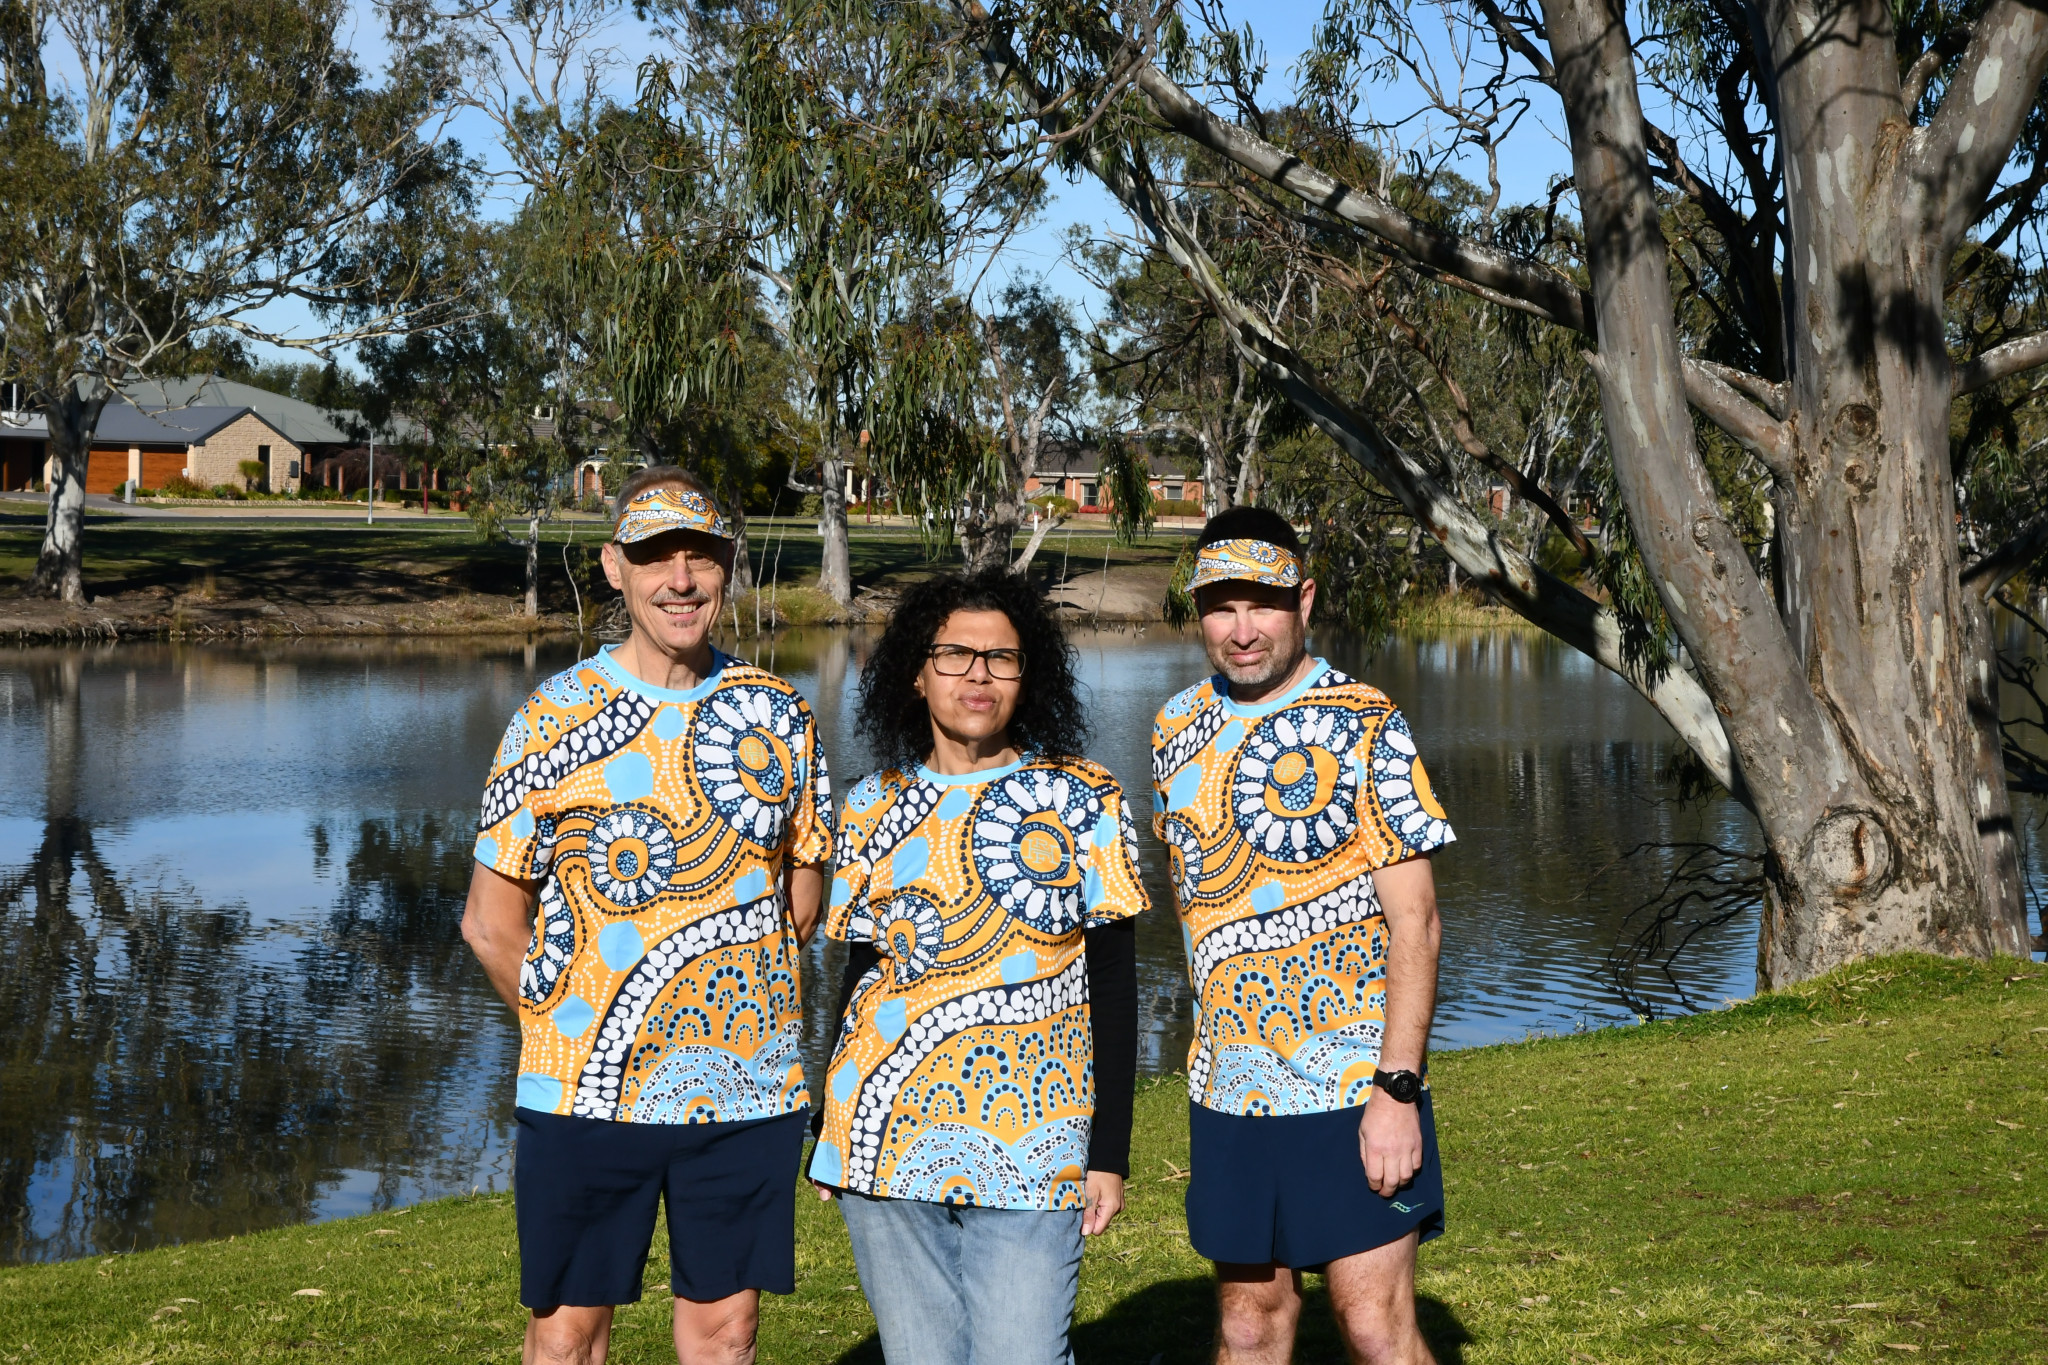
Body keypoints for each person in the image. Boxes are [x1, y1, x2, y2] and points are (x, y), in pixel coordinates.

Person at [460, 467, 833, 1365]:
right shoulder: (552, 717)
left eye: (700, 557)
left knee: (728, 1334)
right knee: (568, 1336)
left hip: (747, 1093)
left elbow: (803, 894)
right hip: (587, 1090)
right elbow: (489, 920)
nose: (679, 578)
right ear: (612, 568)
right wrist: (574, 1026)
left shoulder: (780, 713)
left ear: (727, 569)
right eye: (654, 556)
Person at [807, 568, 1148, 1365]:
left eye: (1002, 658)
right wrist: (829, 1121)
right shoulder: (870, 805)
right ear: (917, 673)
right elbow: (862, 971)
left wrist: (1110, 1152)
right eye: (955, 655)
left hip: (1037, 1142)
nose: (978, 676)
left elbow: (1116, 983)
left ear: (1030, 677)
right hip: (885, 1141)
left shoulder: (1084, 798)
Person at [1151, 507, 1454, 1365]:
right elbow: (1195, 910)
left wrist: (1397, 1088)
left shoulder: (1365, 721)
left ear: (1304, 601)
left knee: (1372, 1326)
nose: (1242, 630)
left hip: (1353, 1086)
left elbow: (1417, 922)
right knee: (1250, 1325)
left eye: (1264, 605)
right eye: (1221, 606)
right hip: (1230, 1093)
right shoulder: (1174, 730)